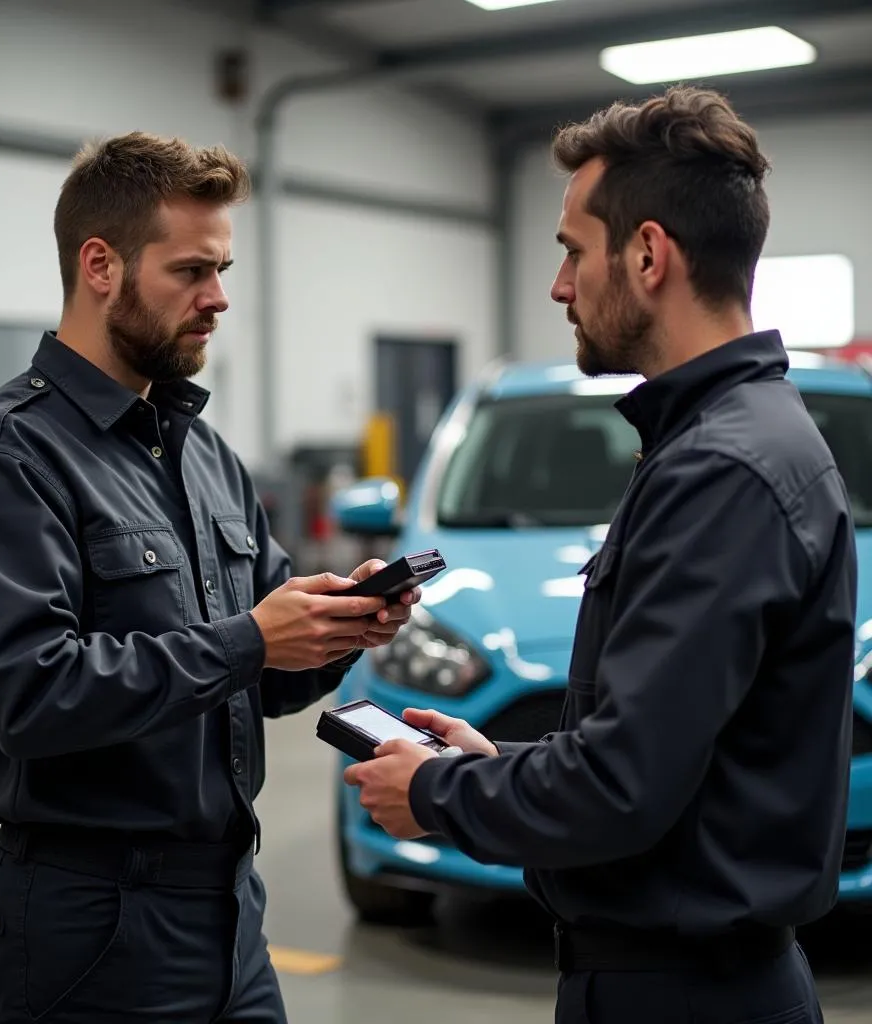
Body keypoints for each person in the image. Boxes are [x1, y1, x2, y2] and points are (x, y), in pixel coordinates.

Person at [344, 85, 856, 1024]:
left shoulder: (723, 468)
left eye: (574, 251)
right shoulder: (733, 437)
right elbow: (678, 743)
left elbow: (624, 785)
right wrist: (494, 759)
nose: (560, 285)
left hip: (682, 995)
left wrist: (440, 788)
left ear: (650, 254)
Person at [0, 132, 420, 1024]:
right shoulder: (1, 461)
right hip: (89, 923)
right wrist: (251, 637)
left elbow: (261, 680)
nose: (218, 298)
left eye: (221, 269)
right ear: (99, 265)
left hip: (227, 909)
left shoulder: (205, 454)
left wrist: (337, 631)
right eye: (190, 271)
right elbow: (31, 696)